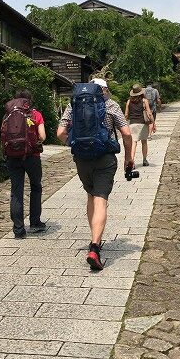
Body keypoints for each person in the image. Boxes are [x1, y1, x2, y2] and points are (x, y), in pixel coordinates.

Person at [57, 78, 132, 271]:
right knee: (101, 199)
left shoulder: (74, 104)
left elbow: (60, 133)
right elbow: (126, 133)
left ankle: (94, 237)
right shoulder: (111, 105)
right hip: (105, 158)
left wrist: (75, 145)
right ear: (105, 89)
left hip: (82, 159)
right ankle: (95, 246)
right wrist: (128, 158)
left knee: (90, 195)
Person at [0, 89, 47, 238]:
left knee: (16, 191)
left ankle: (19, 229)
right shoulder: (35, 114)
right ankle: (35, 222)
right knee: (36, 187)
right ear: (29, 101)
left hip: (12, 156)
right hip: (32, 156)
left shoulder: (8, 115)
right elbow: (43, 136)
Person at [125, 84, 154, 167]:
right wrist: (153, 123)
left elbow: (126, 115)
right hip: (142, 124)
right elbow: (149, 113)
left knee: (133, 143)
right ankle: (144, 160)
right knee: (144, 142)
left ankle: (132, 161)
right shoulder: (144, 101)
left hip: (132, 124)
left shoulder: (129, 101)